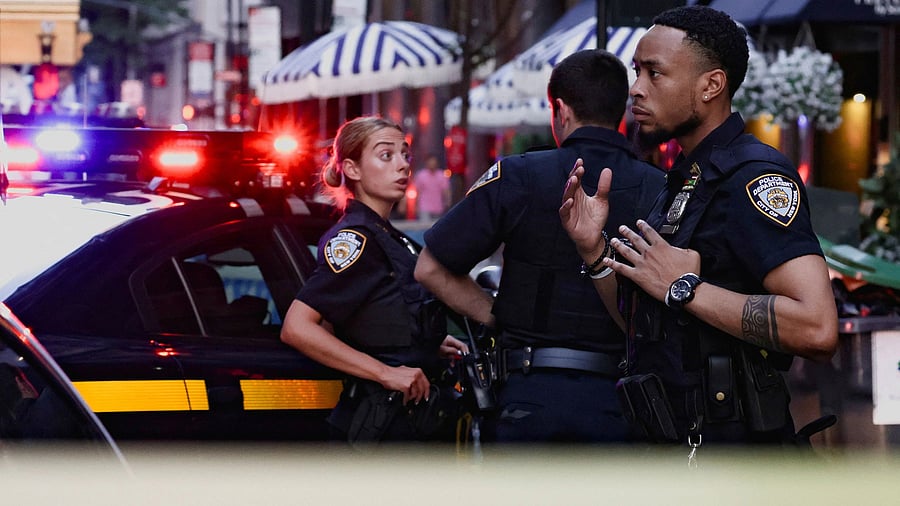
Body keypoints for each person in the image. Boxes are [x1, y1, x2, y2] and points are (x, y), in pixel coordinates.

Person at [559, 5, 838, 448]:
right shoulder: (686, 178)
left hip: (736, 458)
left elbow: (817, 328)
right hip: (677, 447)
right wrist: (594, 251)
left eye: (655, 73)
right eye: (636, 71)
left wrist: (685, 287)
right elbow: (641, 324)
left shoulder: (755, 177)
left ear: (711, 85)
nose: (637, 89)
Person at [415, 49, 665, 443]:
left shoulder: (518, 174)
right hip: (624, 399)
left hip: (528, 394)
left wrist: (497, 314)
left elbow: (430, 268)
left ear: (561, 110)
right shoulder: (660, 187)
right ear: (622, 110)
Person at [280, 116, 468, 445]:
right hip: (381, 426)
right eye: (386, 155)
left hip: (414, 420)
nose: (403, 165)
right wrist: (386, 372)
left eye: (405, 155)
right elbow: (298, 327)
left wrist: (421, 343)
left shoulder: (389, 237)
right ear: (352, 169)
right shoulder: (356, 239)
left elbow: (362, 314)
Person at [413, 154, 451, 222]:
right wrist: (416, 206)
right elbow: (417, 192)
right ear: (426, 163)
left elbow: (446, 191)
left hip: (438, 208)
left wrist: (447, 202)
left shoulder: (441, 175)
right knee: (424, 227)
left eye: (433, 162)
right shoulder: (421, 175)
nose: (432, 164)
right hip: (424, 208)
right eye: (430, 162)